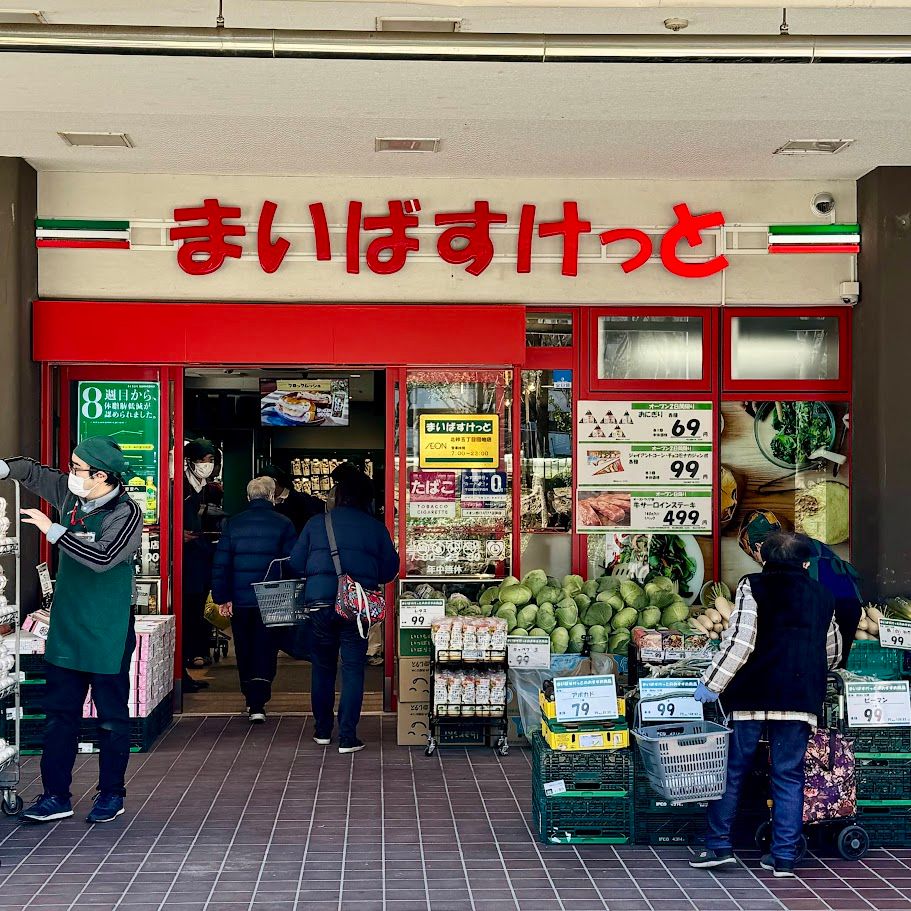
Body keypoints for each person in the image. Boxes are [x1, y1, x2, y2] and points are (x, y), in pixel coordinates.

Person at [0, 438, 142, 824]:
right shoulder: (69, 492)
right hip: (68, 623)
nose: (71, 473)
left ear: (101, 475)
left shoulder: (126, 512)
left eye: (78, 468)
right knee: (59, 714)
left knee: (111, 717)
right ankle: (55, 796)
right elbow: (32, 472)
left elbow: (104, 558)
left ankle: (112, 794)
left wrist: (53, 530)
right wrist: (4, 467)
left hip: (108, 628)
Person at [689, 532, 842, 878]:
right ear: (805, 563)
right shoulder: (823, 596)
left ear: (762, 557)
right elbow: (831, 650)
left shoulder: (752, 586)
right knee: (789, 774)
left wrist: (712, 682)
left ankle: (718, 846)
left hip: (752, 697)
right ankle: (784, 857)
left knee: (733, 770)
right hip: (799, 699)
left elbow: (741, 641)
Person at [289, 467, 398, 754]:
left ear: (338, 496)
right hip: (356, 609)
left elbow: (296, 563)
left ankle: (322, 731)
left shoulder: (317, 523)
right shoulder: (375, 527)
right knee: (352, 669)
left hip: (320, 604)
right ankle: (348, 737)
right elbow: (390, 570)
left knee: (323, 667)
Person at [211, 476, 297, 724]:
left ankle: (251, 701)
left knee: (245, 648)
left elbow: (221, 564)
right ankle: (259, 701)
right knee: (266, 647)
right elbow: (292, 562)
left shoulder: (233, 524)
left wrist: (222, 597)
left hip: (240, 599)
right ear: (272, 496)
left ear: (248, 497)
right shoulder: (283, 523)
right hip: (273, 598)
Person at [743, 517, 862, 667]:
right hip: (849, 600)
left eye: (755, 555)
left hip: (836, 605)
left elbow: (799, 601)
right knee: (830, 666)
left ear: (759, 546)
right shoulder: (793, 543)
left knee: (822, 666)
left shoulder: (787, 554)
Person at [182, 437, 218, 689]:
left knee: (200, 606)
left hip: (202, 553)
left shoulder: (210, 488)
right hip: (184, 557)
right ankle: (185, 658)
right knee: (187, 607)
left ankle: (198, 651)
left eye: (212, 461)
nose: (208, 465)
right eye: (204, 460)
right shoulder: (180, 486)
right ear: (191, 461)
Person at [260, 463, 324, 534]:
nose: (262, 487)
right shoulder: (263, 502)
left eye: (263, 484)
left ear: (274, 482)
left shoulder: (302, 501)